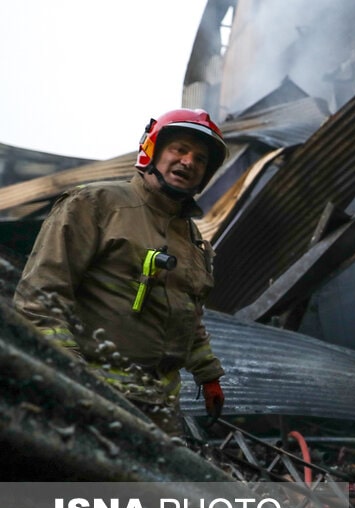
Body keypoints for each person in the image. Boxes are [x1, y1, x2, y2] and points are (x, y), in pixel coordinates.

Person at [14, 109, 229, 437]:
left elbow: (189, 315)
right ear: (152, 150)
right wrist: (70, 375)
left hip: (159, 409)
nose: (189, 162)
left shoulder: (193, 239)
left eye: (200, 159)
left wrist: (208, 376)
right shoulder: (95, 204)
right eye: (179, 150)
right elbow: (40, 299)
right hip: (91, 399)